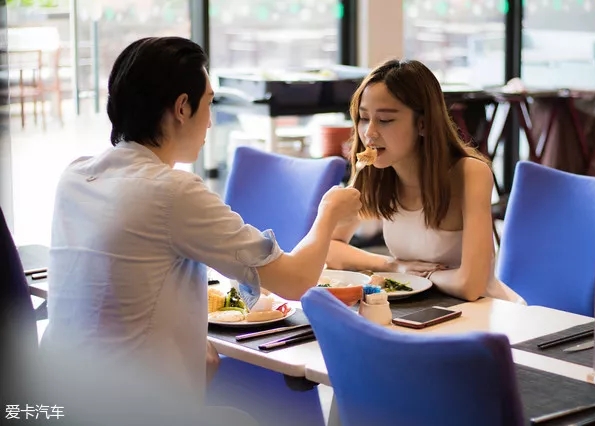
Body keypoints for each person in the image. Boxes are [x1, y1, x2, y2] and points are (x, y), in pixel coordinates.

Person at [41, 37, 361, 396]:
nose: (209, 122)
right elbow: (295, 281)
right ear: (182, 107)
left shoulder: (75, 176)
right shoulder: (171, 191)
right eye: (209, 102)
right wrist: (330, 211)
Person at [326, 59, 523, 304]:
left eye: (385, 120)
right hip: (421, 308)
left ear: (423, 123)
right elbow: (330, 247)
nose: (369, 133)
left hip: (484, 311)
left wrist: (423, 274)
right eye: (364, 118)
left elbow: (472, 285)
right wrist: (394, 266)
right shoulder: (372, 170)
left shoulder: (470, 173)